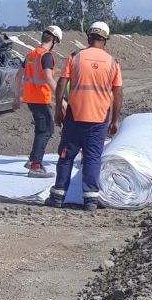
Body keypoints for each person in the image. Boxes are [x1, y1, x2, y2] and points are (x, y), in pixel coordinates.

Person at [47, 21, 123, 212]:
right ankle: (90, 200)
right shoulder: (113, 62)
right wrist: (114, 120)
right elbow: (118, 92)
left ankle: (58, 196)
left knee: (66, 156)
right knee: (92, 158)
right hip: (98, 119)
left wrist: (58, 110)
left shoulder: (76, 57)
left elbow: (62, 82)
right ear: (105, 40)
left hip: (74, 116)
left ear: (89, 37)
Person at [13, 25, 63, 178]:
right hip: (41, 98)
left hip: (30, 98)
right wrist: (61, 99)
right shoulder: (46, 56)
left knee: (41, 129)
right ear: (54, 40)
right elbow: (48, 78)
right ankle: (35, 166)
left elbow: (18, 76)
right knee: (46, 130)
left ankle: (32, 159)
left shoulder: (31, 54)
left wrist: (17, 97)